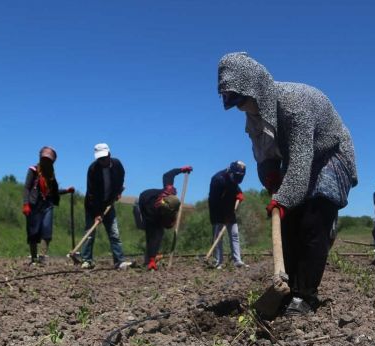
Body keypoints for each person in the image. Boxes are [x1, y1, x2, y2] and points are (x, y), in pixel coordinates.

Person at [218, 52, 358, 315]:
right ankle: (288, 288)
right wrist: (269, 176)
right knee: (288, 224)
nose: (240, 108)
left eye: (242, 100)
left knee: (312, 220)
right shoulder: (255, 117)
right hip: (295, 162)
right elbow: (263, 153)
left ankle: (305, 295)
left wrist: (283, 198)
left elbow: (302, 159)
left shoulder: (295, 104)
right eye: (235, 103)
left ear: (256, 90)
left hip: (328, 154)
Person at [80, 143, 131, 269]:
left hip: (108, 203)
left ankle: (119, 261)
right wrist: (97, 213)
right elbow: (92, 193)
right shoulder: (93, 169)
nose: (101, 161)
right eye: (99, 159)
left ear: (109, 155)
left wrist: (118, 192)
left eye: (103, 158)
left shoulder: (117, 164)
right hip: (92, 205)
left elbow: (121, 177)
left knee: (114, 232)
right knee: (90, 233)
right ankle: (87, 260)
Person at [21, 146, 74, 265]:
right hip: (34, 204)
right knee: (33, 231)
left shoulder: (50, 175)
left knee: (47, 230)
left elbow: (53, 192)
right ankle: (34, 257)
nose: (47, 162)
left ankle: (42, 256)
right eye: (45, 159)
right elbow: (27, 188)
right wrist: (26, 204)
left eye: (49, 160)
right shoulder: (33, 170)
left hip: (47, 204)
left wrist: (66, 190)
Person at [136, 166, 193, 270]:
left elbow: (168, 175)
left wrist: (181, 170)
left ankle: (151, 256)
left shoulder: (168, 191)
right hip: (142, 204)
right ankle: (150, 259)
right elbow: (152, 235)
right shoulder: (151, 210)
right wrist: (153, 260)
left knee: (159, 232)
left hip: (157, 208)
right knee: (154, 233)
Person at [208, 161, 247, 268]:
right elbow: (214, 201)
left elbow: (235, 187)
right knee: (218, 236)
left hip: (230, 208)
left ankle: (237, 260)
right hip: (217, 209)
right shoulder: (218, 180)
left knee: (234, 234)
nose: (238, 178)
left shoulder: (234, 177)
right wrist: (223, 216)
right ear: (231, 172)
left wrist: (239, 193)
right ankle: (218, 262)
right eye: (237, 176)